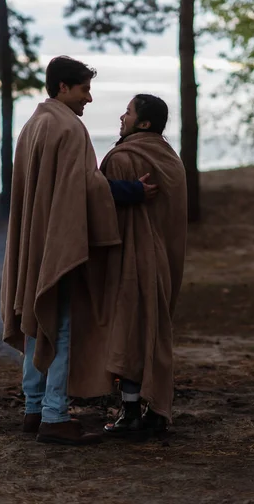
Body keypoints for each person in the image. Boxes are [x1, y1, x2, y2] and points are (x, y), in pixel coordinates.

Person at [0, 57, 157, 446]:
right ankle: (54, 416)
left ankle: (33, 409)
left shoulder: (33, 125)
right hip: (57, 242)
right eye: (84, 89)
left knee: (37, 320)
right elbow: (86, 188)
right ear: (63, 87)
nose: (89, 98)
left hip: (36, 240)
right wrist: (132, 191)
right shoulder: (68, 127)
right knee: (60, 324)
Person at [100, 94, 187, 439]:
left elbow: (98, 203)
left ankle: (131, 411)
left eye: (128, 112)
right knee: (153, 331)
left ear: (144, 123)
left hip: (132, 259)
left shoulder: (126, 158)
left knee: (130, 332)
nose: (122, 117)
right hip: (164, 260)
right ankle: (153, 411)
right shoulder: (171, 159)